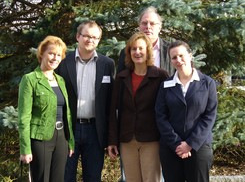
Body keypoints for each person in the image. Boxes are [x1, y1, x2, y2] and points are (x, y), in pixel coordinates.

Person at [56, 20, 115, 182]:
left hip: (95, 131)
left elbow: (111, 103)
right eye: (86, 36)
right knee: (65, 176)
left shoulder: (107, 64)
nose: (90, 40)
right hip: (69, 130)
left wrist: (111, 137)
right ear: (78, 36)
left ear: (99, 41)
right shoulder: (62, 62)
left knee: (93, 177)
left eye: (95, 37)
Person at [108, 32, 169, 182]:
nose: (137, 52)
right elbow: (113, 111)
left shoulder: (160, 76)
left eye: (141, 48)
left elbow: (167, 109)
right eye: (133, 49)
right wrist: (112, 140)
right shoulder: (122, 78)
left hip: (151, 139)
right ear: (129, 52)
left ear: (148, 51)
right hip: (127, 139)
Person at [155, 40, 218, 182]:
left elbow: (209, 116)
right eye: (174, 57)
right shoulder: (165, 85)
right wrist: (177, 143)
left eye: (181, 55)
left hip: (198, 146)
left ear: (190, 56)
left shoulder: (207, 83)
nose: (178, 60)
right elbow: (160, 116)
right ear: (170, 61)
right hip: (171, 148)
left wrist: (190, 144)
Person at [18, 35, 74, 182]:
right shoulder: (30, 79)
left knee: (58, 179)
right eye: (51, 53)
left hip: (61, 138)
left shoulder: (60, 80)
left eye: (58, 55)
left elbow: (66, 113)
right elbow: (24, 118)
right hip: (41, 138)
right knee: (42, 179)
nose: (55, 58)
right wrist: (25, 149)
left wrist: (70, 141)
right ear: (42, 53)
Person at [117, 6, 175, 75]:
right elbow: (120, 80)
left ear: (159, 27)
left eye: (152, 23)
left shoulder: (171, 50)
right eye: (144, 23)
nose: (148, 27)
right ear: (139, 26)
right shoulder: (126, 52)